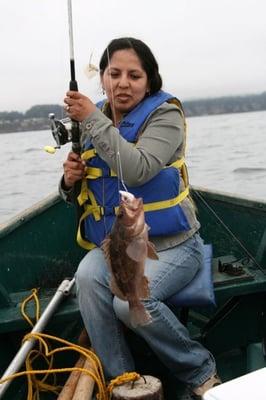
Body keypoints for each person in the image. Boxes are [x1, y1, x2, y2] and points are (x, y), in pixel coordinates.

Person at [59, 37, 220, 399]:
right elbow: (80, 193)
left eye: (134, 75)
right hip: (118, 245)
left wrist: (92, 119)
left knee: (131, 302)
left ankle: (201, 370)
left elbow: (141, 169)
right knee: (86, 276)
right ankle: (124, 379)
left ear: (149, 80)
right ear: (101, 77)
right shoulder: (95, 118)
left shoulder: (166, 114)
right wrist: (69, 180)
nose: (123, 82)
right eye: (114, 73)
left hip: (174, 246)